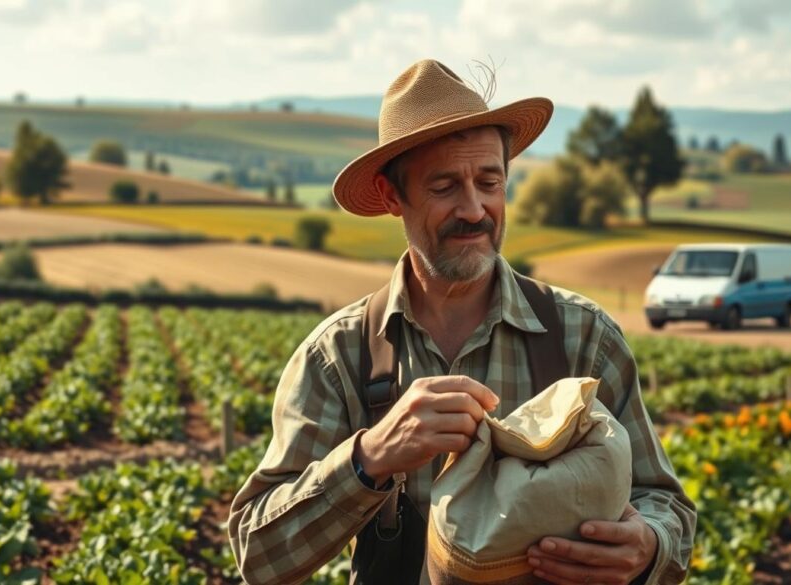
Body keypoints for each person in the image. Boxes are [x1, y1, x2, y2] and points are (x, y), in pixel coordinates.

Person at [228, 58, 695, 585]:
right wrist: (372, 457)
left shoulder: (583, 336)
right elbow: (259, 555)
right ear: (390, 196)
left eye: (489, 182)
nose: (474, 209)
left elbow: (667, 507)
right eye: (445, 186)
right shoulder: (340, 356)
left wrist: (647, 545)